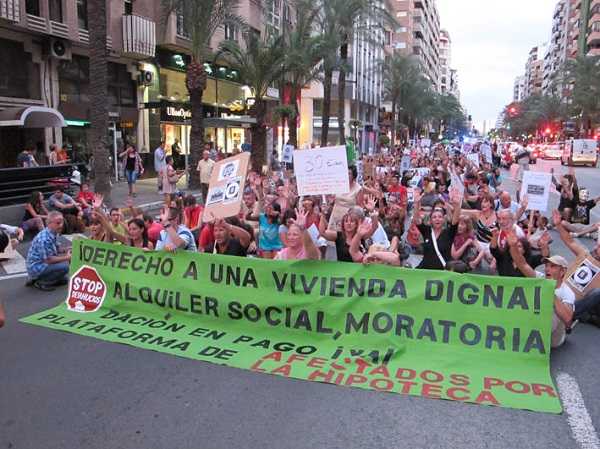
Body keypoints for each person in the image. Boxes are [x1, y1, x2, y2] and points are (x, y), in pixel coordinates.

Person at [508, 234, 574, 348]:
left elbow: (568, 319)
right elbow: (522, 264)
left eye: (553, 266)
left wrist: (551, 294)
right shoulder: (540, 278)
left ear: (562, 271)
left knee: (553, 311)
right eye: (547, 265)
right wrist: (513, 247)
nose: (547, 269)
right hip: (535, 328)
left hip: (553, 340)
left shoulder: (567, 292)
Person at [412, 189, 462, 270]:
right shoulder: (427, 231)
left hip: (442, 273)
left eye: (440, 217)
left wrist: (457, 205)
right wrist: (416, 203)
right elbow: (416, 220)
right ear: (430, 220)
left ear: (443, 219)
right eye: (434, 217)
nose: (437, 219)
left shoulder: (448, 233)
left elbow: (455, 221)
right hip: (425, 270)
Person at [25, 211, 71, 291]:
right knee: (65, 267)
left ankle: (41, 279)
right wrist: (67, 257)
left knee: (64, 279)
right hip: (37, 266)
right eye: (58, 223)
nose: (61, 225)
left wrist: (68, 249)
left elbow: (57, 249)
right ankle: (42, 282)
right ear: (49, 224)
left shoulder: (52, 233)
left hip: (41, 264)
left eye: (61, 222)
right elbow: (49, 260)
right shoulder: (44, 239)